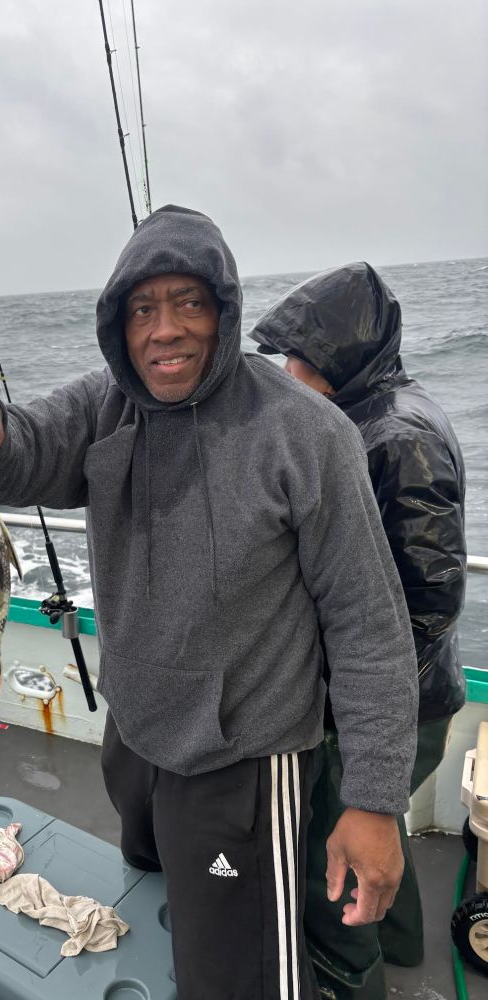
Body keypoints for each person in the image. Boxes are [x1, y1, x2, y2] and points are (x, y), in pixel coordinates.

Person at [0, 206, 419, 1000]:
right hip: (133, 732)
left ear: (226, 311)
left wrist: (373, 801)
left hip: (242, 763)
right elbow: (29, 444)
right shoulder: (107, 407)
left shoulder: (305, 434)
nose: (163, 330)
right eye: (142, 308)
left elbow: (369, 627)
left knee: (240, 978)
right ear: (117, 322)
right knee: (151, 876)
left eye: (189, 303)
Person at [251, 261, 466, 999]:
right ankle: (403, 951)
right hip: (419, 696)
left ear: (341, 358)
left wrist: (354, 704)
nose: (288, 371)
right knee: (381, 831)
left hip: (392, 705)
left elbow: (430, 596)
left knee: (332, 863)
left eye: (303, 359)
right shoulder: (381, 408)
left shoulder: (394, 435)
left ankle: (349, 984)